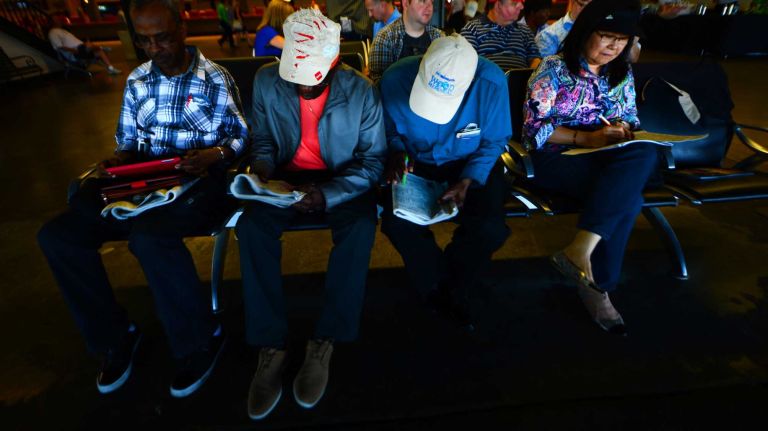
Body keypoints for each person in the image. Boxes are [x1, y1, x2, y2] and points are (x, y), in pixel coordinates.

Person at [37, 0, 248, 398]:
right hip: (147, 181)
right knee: (58, 236)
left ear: (182, 30)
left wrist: (213, 155)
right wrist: (120, 162)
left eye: (162, 38)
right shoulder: (137, 79)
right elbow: (128, 141)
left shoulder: (213, 77)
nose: (154, 48)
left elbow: (239, 136)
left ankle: (201, 338)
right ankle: (115, 335)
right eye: (145, 40)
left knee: (150, 238)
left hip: (200, 181)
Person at [236, 8, 386, 420]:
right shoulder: (267, 81)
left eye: (312, 77)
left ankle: (325, 340)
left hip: (341, 177)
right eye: (296, 76)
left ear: (333, 61)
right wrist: (263, 175)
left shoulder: (361, 92)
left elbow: (372, 162)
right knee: (252, 228)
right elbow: (263, 141)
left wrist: (327, 195)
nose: (302, 85)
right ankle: (271, 345)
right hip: (285, 177)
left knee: (360, 225)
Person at [522, 0, 653, 337]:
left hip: (605, 158)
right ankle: (598, 288)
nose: (614, 46)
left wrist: (623, 128)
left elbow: (631, 117)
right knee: (629, 199)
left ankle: (581, 254)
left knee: (643, 151)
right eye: (607, 36)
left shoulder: (620, 73)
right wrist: (586, 138)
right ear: (585, 32)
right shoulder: (554, 68)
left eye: (622, 40)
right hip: (558, 157)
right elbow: (534, 130)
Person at [379, 34, 512, 329]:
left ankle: (447, 286)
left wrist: (468, 179)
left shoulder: (491, 83)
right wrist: (397, 152)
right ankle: (443, 286)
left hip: (470, 162)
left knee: (490, 227)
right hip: (415, 161)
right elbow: (389, 131)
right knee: (396, 222)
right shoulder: (394, 80)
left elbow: (494, 140)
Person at [369, 0, 443, 81]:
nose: (429, 7)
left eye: (431, 2)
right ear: (405, 3)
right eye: (422, 1)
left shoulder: (439, 38)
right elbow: (378, 85)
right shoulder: (385, 39)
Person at [461, 0, 541, 71]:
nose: (521, 7)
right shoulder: (472, 29)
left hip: (520, 82)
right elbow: (465, 63)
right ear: (498, 5)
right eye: (514, 3)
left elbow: (535, 59)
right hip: (487, 81)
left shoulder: (525, 30)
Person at [48, 17, 121, 74]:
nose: (60, 21)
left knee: (99, 52)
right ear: (52, 22)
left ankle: (111, 68)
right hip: (75, 52)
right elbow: (59, 47)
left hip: (81, 49)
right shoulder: (53, 32)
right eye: (57, 20)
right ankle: (101, 47)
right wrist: (73, 50)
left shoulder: (62, 30)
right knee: (89, 45)